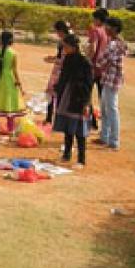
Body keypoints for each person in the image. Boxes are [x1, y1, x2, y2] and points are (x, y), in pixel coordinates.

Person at [53, 34, 94, 168]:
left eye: (65, 46)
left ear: (72, 47)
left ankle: (81, 159)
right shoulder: (68, 59)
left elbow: (89, 84)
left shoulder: (85, 62)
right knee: (67, 126)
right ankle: (67, 153)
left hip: (79, 98)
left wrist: (86, 103)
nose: (63, 49)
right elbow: (63, 77)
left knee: (79, 130)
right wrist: (57, 88)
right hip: (66, 95)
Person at [95, 16, 125, 151]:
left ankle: (114, 141)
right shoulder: (116, 42)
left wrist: (92, 62)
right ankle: (104, 137)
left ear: (114, 29)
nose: (105, 28)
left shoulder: (114, 44)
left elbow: (102, 61)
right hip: (109, 78)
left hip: (112, 80)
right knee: (105, 109)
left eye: (107, 26)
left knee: (111, 109)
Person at [43, 20, 75, 126]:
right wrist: (53, 58)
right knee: (56, 94)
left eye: (57, 31)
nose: (57, 34)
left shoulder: (66, 41)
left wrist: (53, 60)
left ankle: (54, 119)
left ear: (61, 31)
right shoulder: (67, 39)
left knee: (56, 93)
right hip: (61, 69)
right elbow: (60, 56)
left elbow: (64, 59)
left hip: (62, 71)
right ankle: (51, 117)